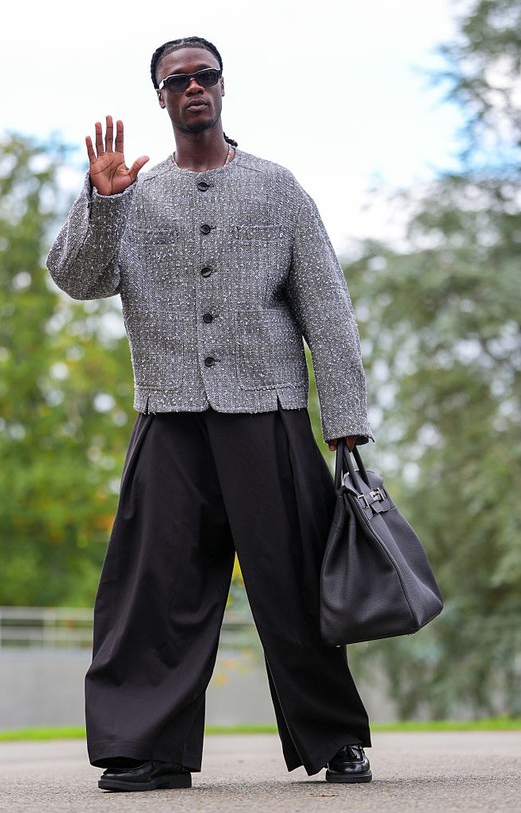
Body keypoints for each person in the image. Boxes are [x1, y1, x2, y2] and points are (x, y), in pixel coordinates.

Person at [47, 35, 374, 793]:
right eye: (177, 80)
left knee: (295, 586)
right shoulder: (128, 192)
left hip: (269, 416)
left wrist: (345, 420)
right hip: (168, 419)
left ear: (223, 88)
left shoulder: (279, 188)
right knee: (152, 587)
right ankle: (147, 747)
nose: (194, 88)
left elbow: (327, 310)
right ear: (160, 98)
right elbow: (78, 279)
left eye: (206, 76)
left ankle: (336, 739)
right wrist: (102, 201)